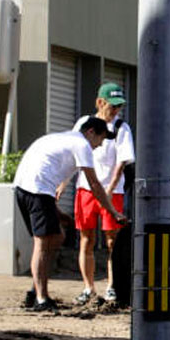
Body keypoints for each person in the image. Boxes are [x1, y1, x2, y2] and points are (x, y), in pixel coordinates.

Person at [13, 117, 125, 312]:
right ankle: (40, 298)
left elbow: (45, 176)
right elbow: (95, 184)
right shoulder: (81, 145)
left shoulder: (62, 140)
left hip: (24, 188)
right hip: (36, 190)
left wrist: (58, 213)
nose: (99, 146)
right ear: (90, 132)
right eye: (100, 139)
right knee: (43, 242)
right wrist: (113, 212)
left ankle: (36, 290)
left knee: (57, 236)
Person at [67, 83, 135, 305]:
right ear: (100, 102)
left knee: (112, 241)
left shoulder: (122, 128)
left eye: (119, 106)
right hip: (86, 189)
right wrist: (64, 183)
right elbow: (73, 153)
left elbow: (122, 161)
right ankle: (88, 288)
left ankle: (112, 286)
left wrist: (110, 188)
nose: (115, 110)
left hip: (111, 191)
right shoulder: (84, 123)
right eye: (111, 106)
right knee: (86, 239)